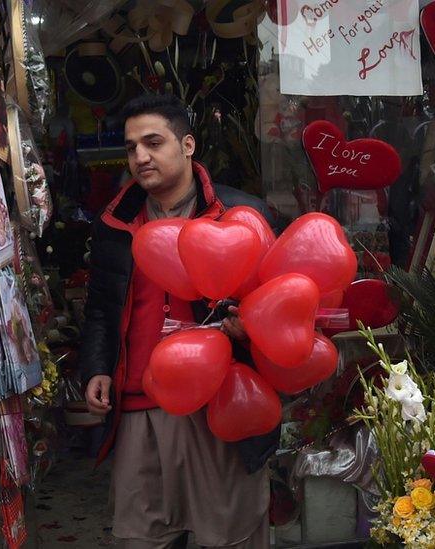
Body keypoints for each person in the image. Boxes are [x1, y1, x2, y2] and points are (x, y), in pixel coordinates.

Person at [79, 94, 278, 549]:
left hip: (219, 405)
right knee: (141, 537)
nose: (140, 157)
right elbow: (99, 308)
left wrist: (250, 329)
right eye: (131, 147)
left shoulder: (240, 215)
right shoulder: (114, 223)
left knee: (229, 535)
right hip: (139, 407)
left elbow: (280, 304)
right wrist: (95, 369)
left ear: (187, 145)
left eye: (153, 142)